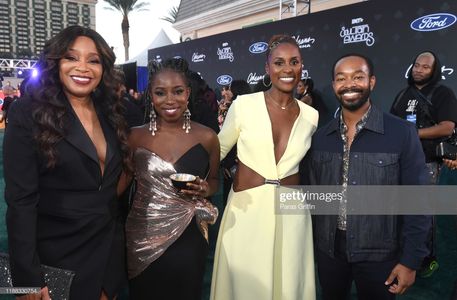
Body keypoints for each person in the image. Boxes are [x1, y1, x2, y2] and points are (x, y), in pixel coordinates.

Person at [3, 25, 131, 300]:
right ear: (56, 62)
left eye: (93, 60)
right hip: (55, 256)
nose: (83, 67)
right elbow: (20, 202)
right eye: (71, 57)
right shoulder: (28, 111)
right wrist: (26, 280)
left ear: (103, 68)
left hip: (108, 254)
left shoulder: (112, 112)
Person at [301, 53, 432, 299]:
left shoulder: (401, 133)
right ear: (334, 86)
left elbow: (419, 200)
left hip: (380, 255)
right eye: (342, 78)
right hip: (330, 253)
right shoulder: (319, 138)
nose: (349, 84)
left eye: (358, 77)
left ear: (371, 82)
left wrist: (411, 260)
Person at [211, 34, 318, 300]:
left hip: (292, 214)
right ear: (267, 68)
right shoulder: (244, 105)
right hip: (246, 211)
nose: (287, 69)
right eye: (279, 62)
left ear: (301, 66)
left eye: (294, 62)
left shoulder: (311, 116)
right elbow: (218, 151)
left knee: (288, 282)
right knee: (247, 286)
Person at [123, 58, 219, 300]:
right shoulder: (134, 136)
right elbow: (120, 186)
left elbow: (215, 181)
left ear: (187, 93)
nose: (170, 100)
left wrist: (206, 189)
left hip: (189, 237)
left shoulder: (207, 137)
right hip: (142, 234)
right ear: (151, 96)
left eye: (177, 91)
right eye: (160, 92)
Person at [390, 51, 457, 276]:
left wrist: (413, 134)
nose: (419, 70)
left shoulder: (442, 93)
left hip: (426, 163)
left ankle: (426, 258)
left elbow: (447, 127)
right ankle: (402, 255)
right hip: (399, 162)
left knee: (422, 212)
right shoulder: (402, 94)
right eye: (416, 65)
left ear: (434, 70)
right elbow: (392, 125)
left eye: (425, 67)